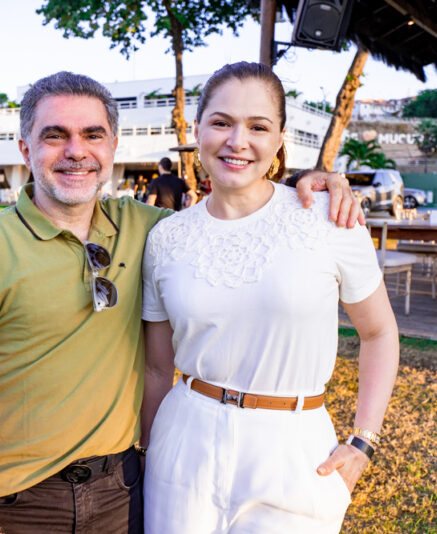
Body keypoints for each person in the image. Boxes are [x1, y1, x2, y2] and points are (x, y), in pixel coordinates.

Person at [0, 71, 363, 534]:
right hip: (23, 499)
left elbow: (236, 208)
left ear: (113, 146)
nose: (76, 151)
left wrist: (309, 185)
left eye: (92, 135)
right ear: (24, 149)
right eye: (55, 136)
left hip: (124, 487)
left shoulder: (153, 231)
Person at [140, 62, 400, 534]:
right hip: (183, 443)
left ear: (280, 139)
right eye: (221, 122)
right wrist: (145, 450)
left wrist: (363, 441)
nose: (238, 141)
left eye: (258, 126)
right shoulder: (165, 239)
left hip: (294, 448)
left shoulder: (328, 216)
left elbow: (379, 331)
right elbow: (158, 368)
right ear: (197, 130)